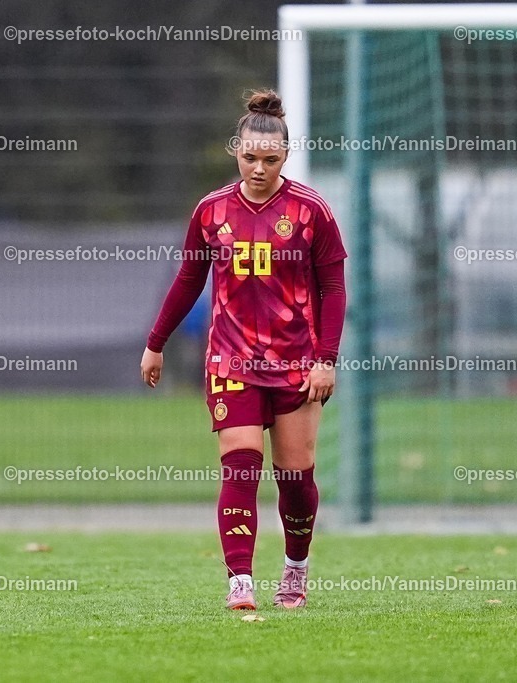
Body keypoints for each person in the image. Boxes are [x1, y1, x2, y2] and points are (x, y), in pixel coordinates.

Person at [141, 89, 347, 609]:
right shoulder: (211, 212)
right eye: (250, 157)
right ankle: (240, 581)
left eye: (270, 159)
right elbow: (189, 279)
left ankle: (296, 569)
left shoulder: (310, 211)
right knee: (239, 466)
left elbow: (334, 288)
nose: (259, 168)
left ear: (286, 155)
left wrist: (326, 359)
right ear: (235, 150)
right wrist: (155, 343)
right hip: (232, 360)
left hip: (297, 362)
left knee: (296, 478)